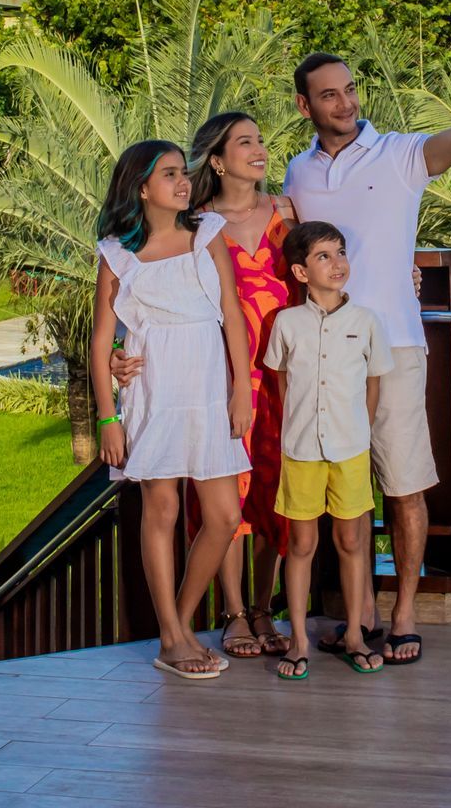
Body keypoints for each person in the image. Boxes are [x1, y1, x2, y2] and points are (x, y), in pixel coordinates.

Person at [282, 51, 451, 664]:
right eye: (329, 95)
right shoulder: (297, 172)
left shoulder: (399, 154)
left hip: (393, 344)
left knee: (402, 485)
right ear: (305, 106)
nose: (346, 103)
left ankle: (402, 613)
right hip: (325, 355)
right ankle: (361, 612)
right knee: (344, 487)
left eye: (350, 89)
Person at [90, 140, 254, 680]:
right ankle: (171, 635)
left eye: (183, 173)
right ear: (141, 188)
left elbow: (231, 312)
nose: (182, 183)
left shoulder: (207, 234)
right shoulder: (117, 253)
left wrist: (240, 390)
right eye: (169, 175)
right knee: (161, 511)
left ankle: (178, 626)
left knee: (225, 516)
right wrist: (107, 418)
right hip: (154, 392)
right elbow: (102, 341)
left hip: (210, 389)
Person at [262, 221, 392, 680]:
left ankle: (355, 634)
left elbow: (373, 386)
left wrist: (359, 430)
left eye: (340, 253)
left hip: (351, 449)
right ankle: (299, 640)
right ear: (300, 272)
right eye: (323, 256)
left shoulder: (366, 322)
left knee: (353, 540)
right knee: (301, 543)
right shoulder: (286, 323)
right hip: (300, 451)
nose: (337, 264)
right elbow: (281, 383)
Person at [186, 112, 292, 659]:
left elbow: (328, 265)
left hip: (286, 379)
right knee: (228, 496)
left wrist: (404, 274)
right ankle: (232, 611)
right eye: (244, 142)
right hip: (224, 378)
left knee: (277, 493)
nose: (259, 149)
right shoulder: (196, 224)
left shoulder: (289, 213)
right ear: (219, 160)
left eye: (260, 140)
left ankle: (263, 607)